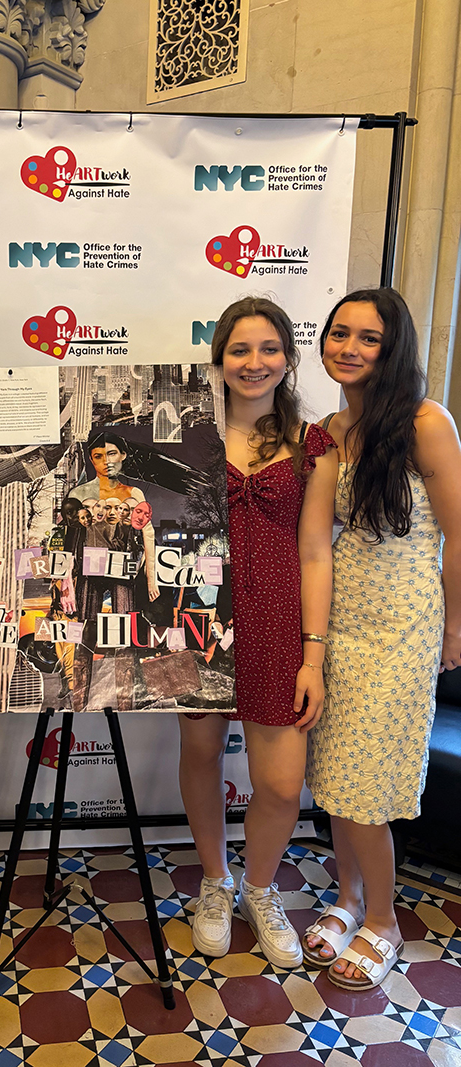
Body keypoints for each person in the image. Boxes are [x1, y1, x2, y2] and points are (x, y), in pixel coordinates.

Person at [304, 289, 461, 988]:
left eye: (368, 338)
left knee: (367, 784)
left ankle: (385, 920)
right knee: (338, 776)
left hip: (404, 624)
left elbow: (458, 532)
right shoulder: (335, 429)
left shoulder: (426, 421)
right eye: (340, 333)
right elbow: (318, 540)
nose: (350, 347)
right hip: (344, 619)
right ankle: (347, 896)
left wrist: (456, 624)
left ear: (391, 347)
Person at [179, 297, 338, 968]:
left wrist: (313, 655)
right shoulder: (188, 436)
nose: (254, 362)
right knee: (202, 754)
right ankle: (214, 882)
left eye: (268, 348)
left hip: (279, 624)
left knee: (278, 785)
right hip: (200, 617)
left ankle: (260, 887)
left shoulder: (312, 443)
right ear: (218, 359)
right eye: (239, 349)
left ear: (289, 357)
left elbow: (315, 553)